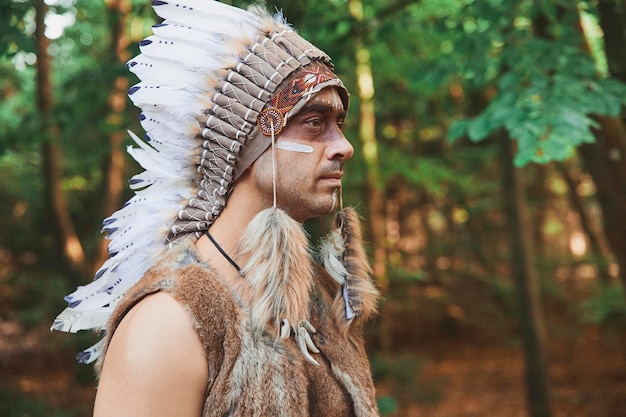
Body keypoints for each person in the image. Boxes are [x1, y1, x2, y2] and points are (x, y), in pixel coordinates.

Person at [52, 1, 380, 416]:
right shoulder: (168, 324)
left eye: (340, 124)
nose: (343, 146)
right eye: (314, 122)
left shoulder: (318, 299)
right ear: (245, 143)